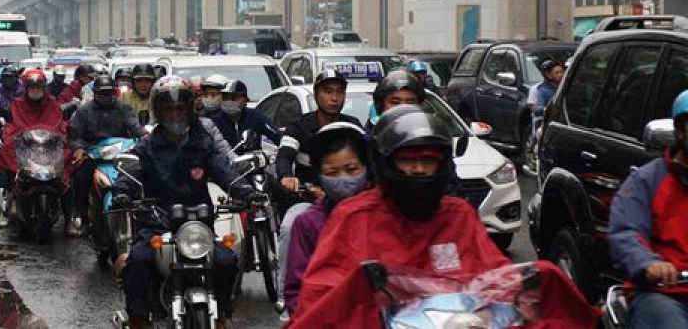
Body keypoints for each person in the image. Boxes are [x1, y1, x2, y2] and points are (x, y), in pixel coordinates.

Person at [289, 105, 600, 328]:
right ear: (385, 164)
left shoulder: (459, 215)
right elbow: (323, 303)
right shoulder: (352, 218)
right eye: (408, 160)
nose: (420, 169)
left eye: (429, 160)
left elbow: (496, 282)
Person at [110, 76, 251, 329]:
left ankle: (219, 314)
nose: (175, 114)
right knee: (138, 261)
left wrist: (245, 191)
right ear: (159, 112)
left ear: (188, 110)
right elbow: (129, 174)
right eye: (169, 109)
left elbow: (225, 172)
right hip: (157, 223)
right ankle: (138, 319)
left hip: (198, 226)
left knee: (227, 261)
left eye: (180, 108)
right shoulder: (147, 146)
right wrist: (122, 192)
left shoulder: (202, 145)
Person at [274, 68, 361, 309]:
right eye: (328, 91)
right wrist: (287, 176)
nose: (334, 97)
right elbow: (284, 156)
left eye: (340, 92)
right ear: (316, 94)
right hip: (309, 200)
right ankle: (284, 294)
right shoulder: (298, 127)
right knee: (291, 225)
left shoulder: (353, 127)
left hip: (349, 202)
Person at [608, 89, 688, 329]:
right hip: (665, 294)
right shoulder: (647, 181)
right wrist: (648, 263)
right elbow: (626, 232)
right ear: (680, 131)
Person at [283, 122, 370, 315]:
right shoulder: (307, 224)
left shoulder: (383, 214)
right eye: (332, 173)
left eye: (351, 169)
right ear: (320, 175)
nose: (343, 178)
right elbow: (297, 292)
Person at [67, 75, 145, 237]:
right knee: (80, 178)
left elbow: (134, 125)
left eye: (110, 93)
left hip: (120, 154)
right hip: (94, 154)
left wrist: (144, 135)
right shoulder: (84, 111)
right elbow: (75, 135)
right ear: (95, 93)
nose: (106, 97)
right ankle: (83, 217)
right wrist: (79, 149)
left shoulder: (123, 107)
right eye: (102, 94)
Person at [0, 69, 68, 228]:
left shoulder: (52, 102)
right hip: (25, 144)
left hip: (48, 144)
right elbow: (18, 124)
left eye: (38, 87)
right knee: (5, 151)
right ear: (26, 88)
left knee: (71, 158)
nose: (35, 91)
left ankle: (71, 216)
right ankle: (7, 202)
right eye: (32, 87)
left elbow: (56, 122)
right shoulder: (18, 104)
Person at [208, 79, 281, 152]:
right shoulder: (215, 121)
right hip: (226, 160)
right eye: (225, 98)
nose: (229, 101)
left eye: (233, 98)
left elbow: (276, 135)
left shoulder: (255, 116)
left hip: (252, 160)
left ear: (245, 99)